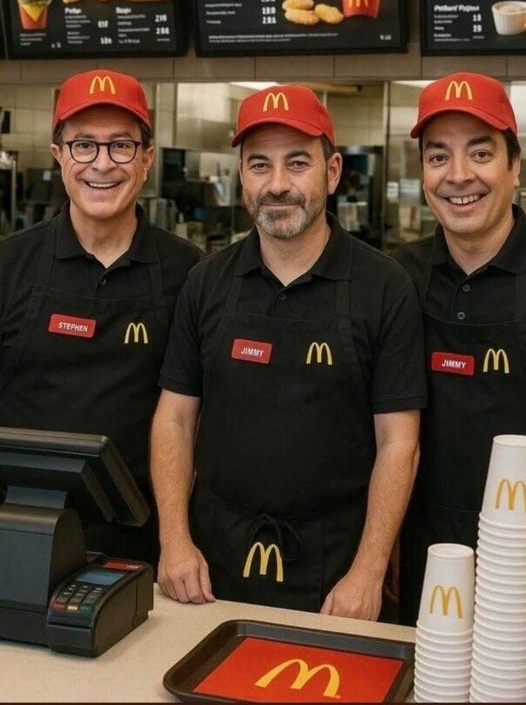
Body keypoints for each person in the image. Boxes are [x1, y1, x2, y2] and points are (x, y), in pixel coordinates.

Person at [150, 83, 426, 620]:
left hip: (336, 567)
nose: (277, 184)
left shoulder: (384, 287)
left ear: (332, 172)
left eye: (297, 163)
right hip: (211, 562)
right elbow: (175, 419)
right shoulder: (206, 282)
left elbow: (399, 443)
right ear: (242, 176)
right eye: (260, 165)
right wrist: (175, 540)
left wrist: (368, 571)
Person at [0, 68, 202, 566]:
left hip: (142, 543)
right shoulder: (9, 265)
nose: (102, 164)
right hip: (15, 530)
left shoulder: (190, 273)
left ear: (147, 158)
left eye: (121, 146)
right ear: (59, 156)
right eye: (84, 145)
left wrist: (178, 540)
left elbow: (196, 418)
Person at [391, 71, 526, 624]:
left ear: (515, 166)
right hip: (421, 557)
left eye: (481, 153)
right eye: (438, 157)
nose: (458, 175)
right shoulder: (395, 279)